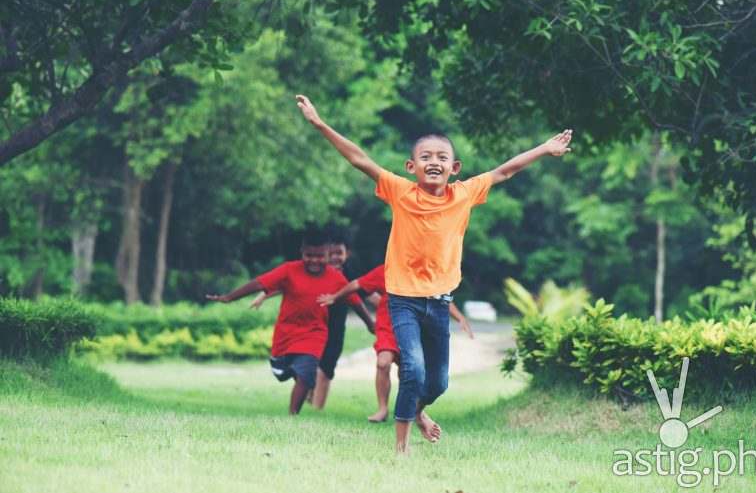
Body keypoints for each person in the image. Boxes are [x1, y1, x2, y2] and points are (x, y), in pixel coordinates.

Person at [295, 94, 572, 453]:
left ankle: (418, 411)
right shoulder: (401, 191)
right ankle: (402, 447)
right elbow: (359, 159)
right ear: (412, 166)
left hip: (439, 303)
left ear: (454, 167)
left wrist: (544, 149)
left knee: (438, 383)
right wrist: (319, 124)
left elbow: (504, 171)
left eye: (442, 157)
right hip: (403, 300)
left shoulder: (464, 194)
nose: (434, 162)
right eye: (426, 157)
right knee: (413, 369)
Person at [206, 229, 374, 415]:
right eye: (309, 255)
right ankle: (296, 374)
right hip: (286, 334)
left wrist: (370, 324)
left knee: (307, 371)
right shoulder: (289, 270)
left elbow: (355, 301)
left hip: (315, 333)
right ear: (301, 252)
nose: (314, 260)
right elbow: (260, 283)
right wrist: (229, 297)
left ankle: (292, 414)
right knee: (283, 372)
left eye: (320, 256)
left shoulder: (336, 278)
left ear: (327, 255)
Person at [318, 264, 474, 423]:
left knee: (408, 373)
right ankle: (382, 409)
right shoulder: (388, 270)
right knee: (383, 362)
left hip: (413, 330)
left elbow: (441, 297)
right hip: (387, 329)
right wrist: (335, 297)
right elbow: (357, 284)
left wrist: (460, 317)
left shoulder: (425, 271)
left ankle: (409, 410)